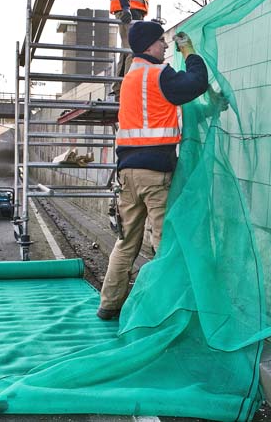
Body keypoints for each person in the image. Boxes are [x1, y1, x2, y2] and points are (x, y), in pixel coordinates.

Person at [97, 22, 208, 320]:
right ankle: (163, 311)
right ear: (148, 45)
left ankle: (109, 304)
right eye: (162, 42)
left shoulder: (132, 76)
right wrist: (191, 53)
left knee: (126, 241)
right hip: (155, 174)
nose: (165, 46)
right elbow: (196, 84)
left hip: (127, 174)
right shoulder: (159, 74)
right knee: (164, 243)